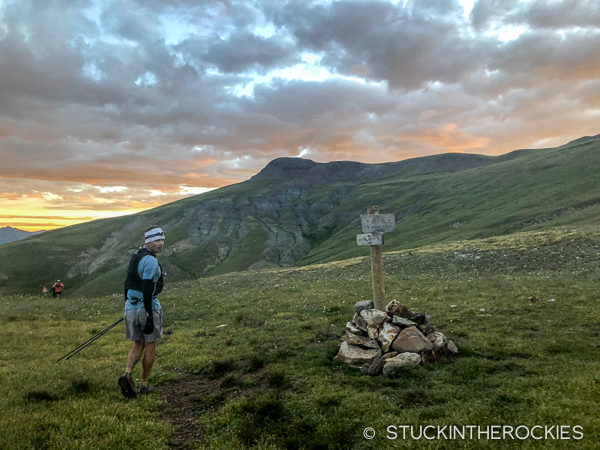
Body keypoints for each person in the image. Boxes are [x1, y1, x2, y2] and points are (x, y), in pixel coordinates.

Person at [118, 226, 165, 398]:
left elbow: (127, 283)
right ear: (148, 241)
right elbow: (147, 288)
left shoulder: (136, 256)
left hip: (131, 307)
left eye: (162, 240)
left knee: (138, 343)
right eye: (157, 240)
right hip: (147, 306)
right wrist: (148, 314)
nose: (161, 244)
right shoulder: (151, 261)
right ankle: (144, 384)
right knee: (150, 344)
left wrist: (128, 306)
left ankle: (127, 373)